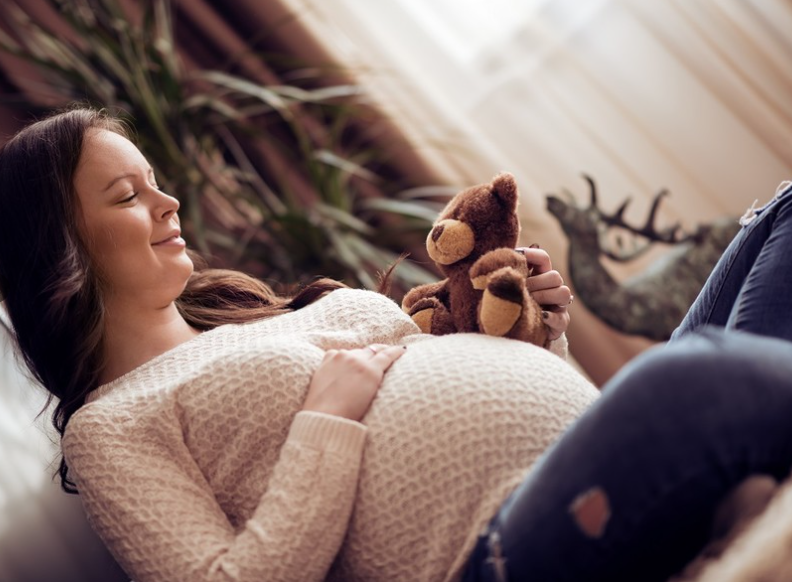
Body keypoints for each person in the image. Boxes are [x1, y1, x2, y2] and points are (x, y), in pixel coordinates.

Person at [0, 106, 789, 582]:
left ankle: (721, 488)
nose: (170, 201)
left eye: (155, 180)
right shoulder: (114, 426)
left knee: (782, 217)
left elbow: (470, 399)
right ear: (60, 250)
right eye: (128, 195)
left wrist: (540, 335)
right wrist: (325, 423)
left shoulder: (269, 319)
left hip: (572, 468)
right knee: (692, 383)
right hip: (492, 554)